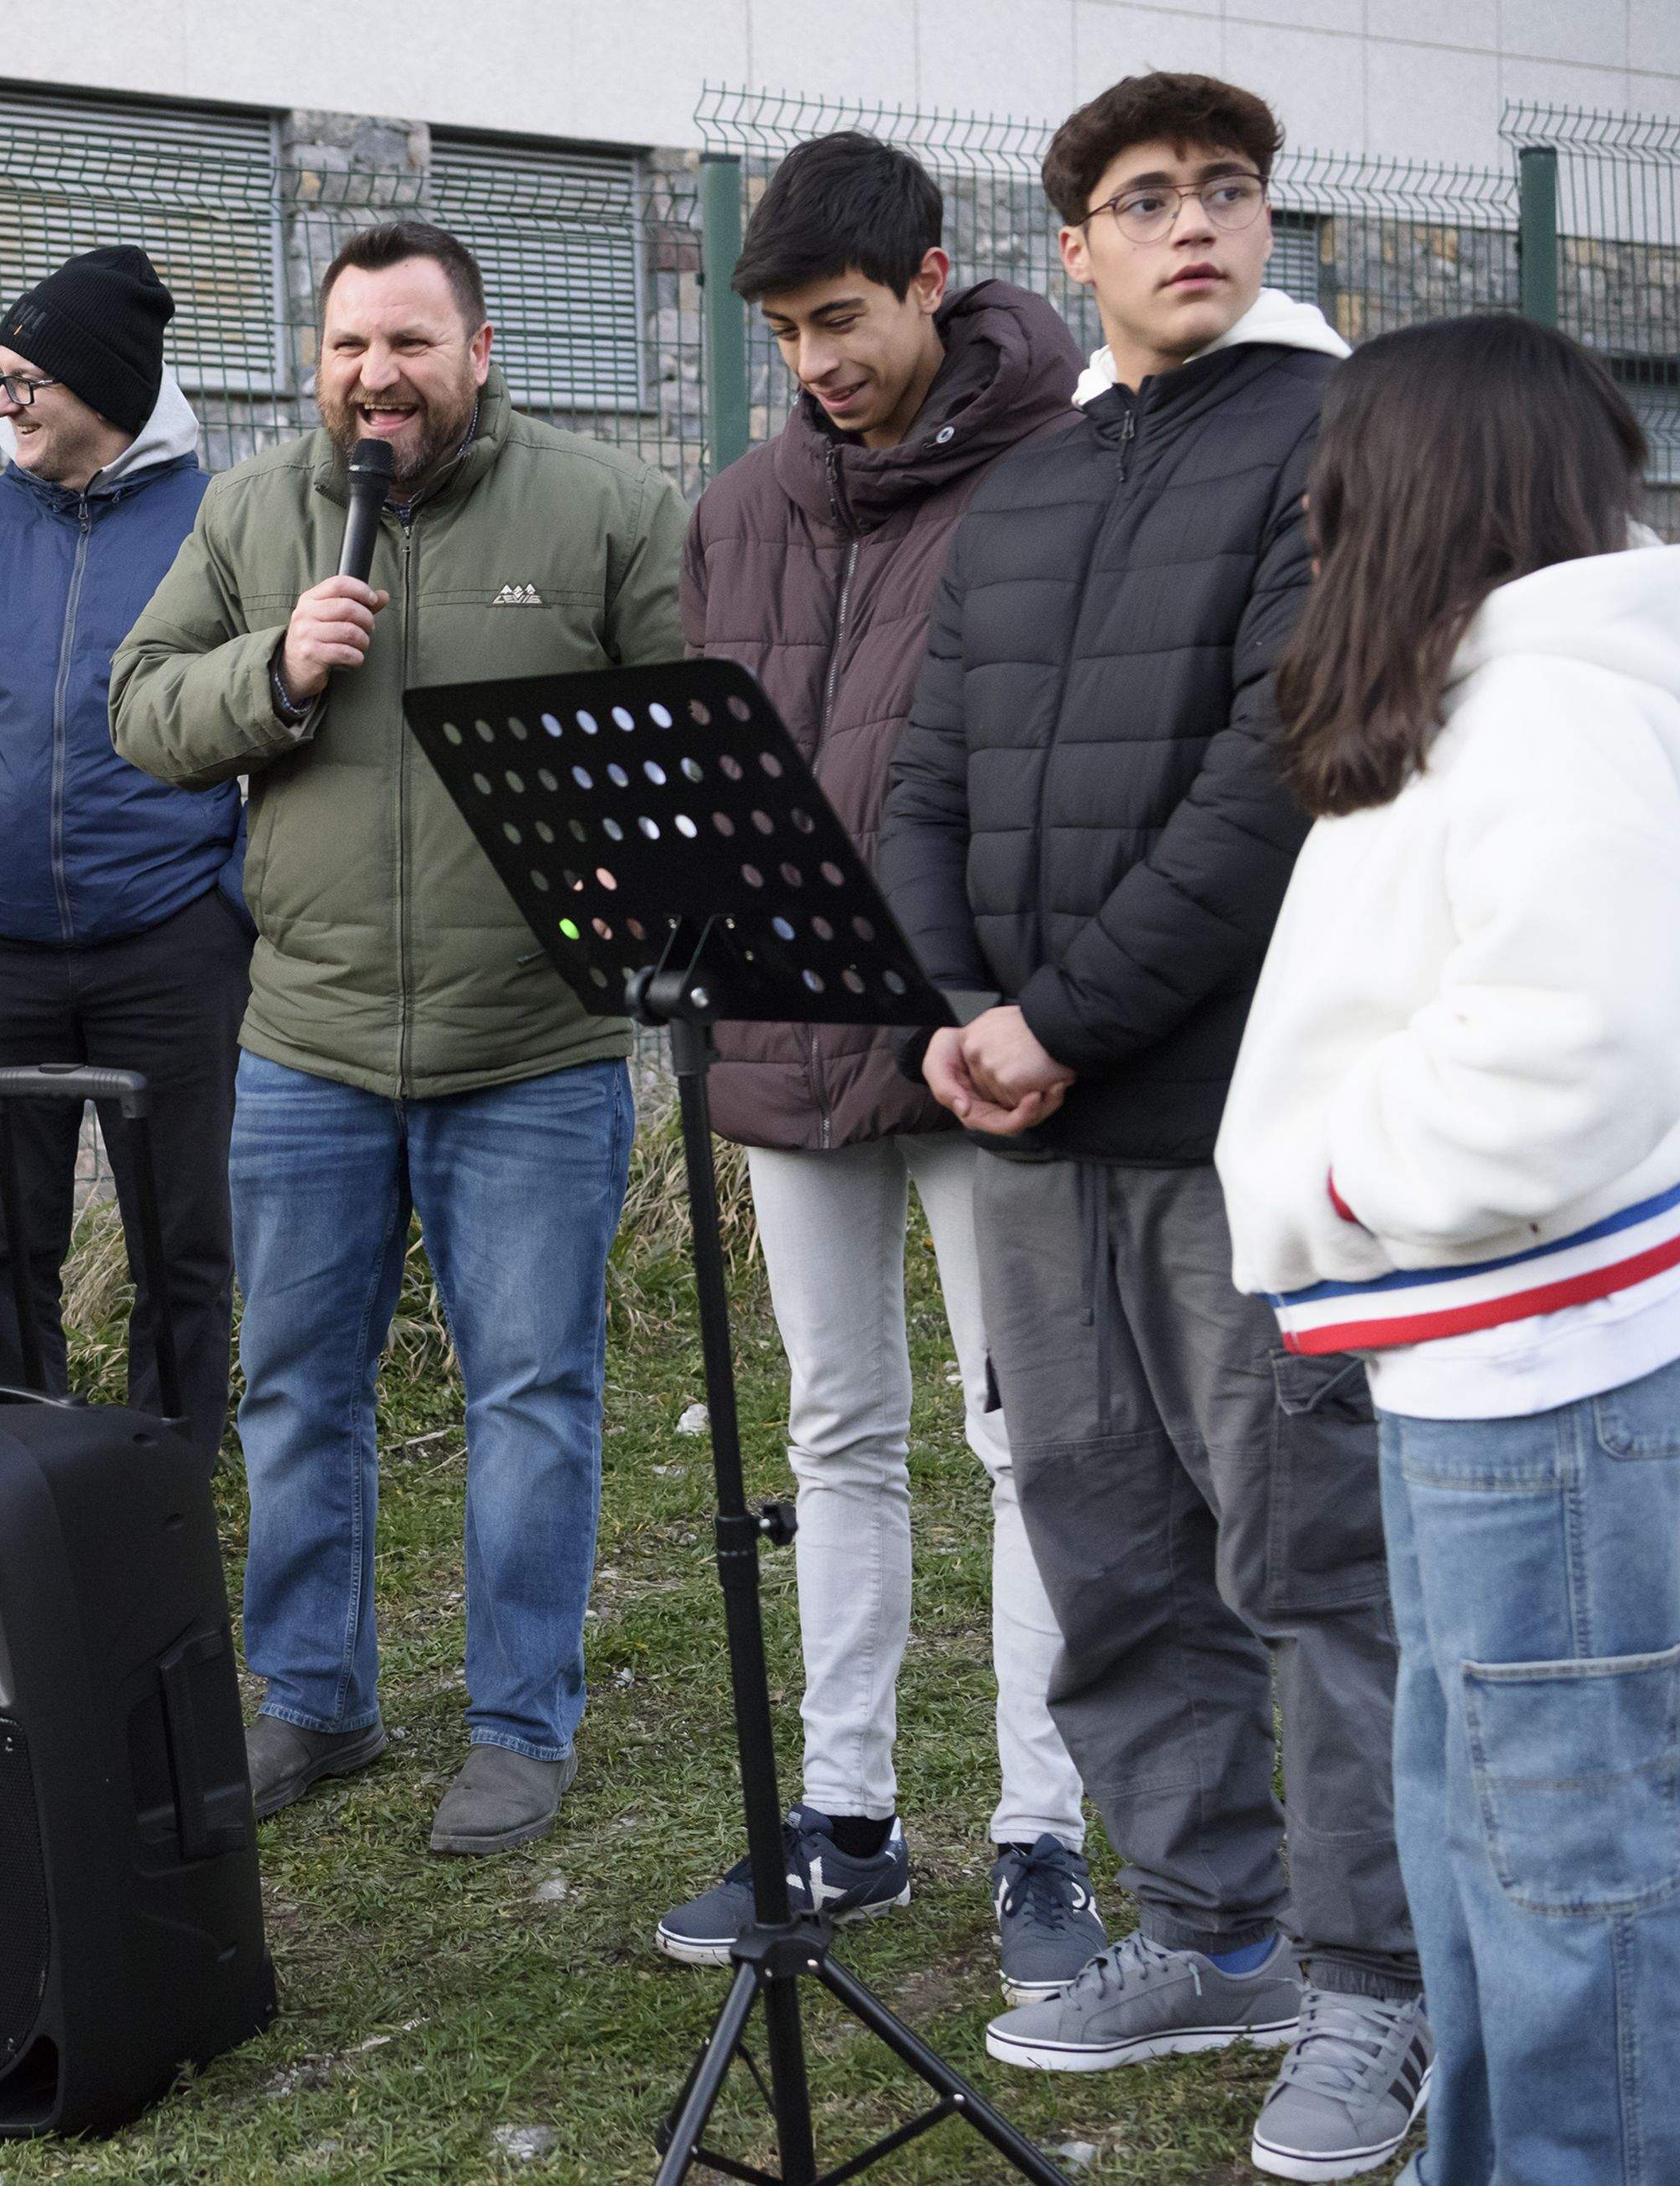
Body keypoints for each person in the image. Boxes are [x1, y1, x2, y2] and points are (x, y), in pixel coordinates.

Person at [877, 74, 1425, 2180]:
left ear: (1261, 223)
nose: (1188, 222)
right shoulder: (1018, 487)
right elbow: (919, 774)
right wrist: (953, 1010)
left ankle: (1371, 1983)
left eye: (1221, 190)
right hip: (1021, 1121)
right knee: (1099, 1540)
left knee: (1303, 1554)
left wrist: (1056, 1017)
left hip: (1229, 1115)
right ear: (1073, 252)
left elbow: (1275, 771)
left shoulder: (1331, 447)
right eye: (1139, 198)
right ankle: (1212, 1929)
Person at [1220, 315, 1680, 2186]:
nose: (1318, 500)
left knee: (1558, 1837)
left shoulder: (1556, 707)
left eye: (1341, 466)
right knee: (1480, 1806)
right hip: (1497, 1335)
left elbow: (1565, 1038)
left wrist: (1347, 1183)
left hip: (1538, 1338)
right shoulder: (1510, 683)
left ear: (1419, 482)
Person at [114, 220, 687, 1856]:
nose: (377, 377)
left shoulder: (604, 514)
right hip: (305, 1045)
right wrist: (270, 676)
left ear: (478, 353)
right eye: (351, 345)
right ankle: (313, 1698)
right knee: (297, 1394)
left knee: (531, 1399)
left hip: (532, 1057)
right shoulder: (246, 514)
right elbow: (137, 708)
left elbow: (693, 732)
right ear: (318, 359)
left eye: (411, 345)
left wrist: (619, 883)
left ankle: (518, 1723)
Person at [644, 132, 1104, 2006]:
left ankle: (1039, 1835)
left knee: (1027, 1447)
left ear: (928, 277)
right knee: (835, 1432)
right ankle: (845, 1818)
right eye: (779, 333)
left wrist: (1037, 1005)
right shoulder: (739, 503)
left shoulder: (1064, 467)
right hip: (778, 1033)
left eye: (836, 318)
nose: (812, 362)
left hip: (980, 1046)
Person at [0, 246, 248, 1449]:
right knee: (1, 1240)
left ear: (108, 387)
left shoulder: (224, 526)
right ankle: (25, 1465)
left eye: (27, 378)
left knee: (183, 1240)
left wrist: (230, 903)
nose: (4, 403)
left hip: (177, 940)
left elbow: (292, 720)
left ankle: (166, 1467)